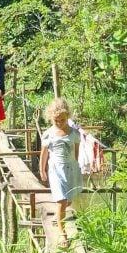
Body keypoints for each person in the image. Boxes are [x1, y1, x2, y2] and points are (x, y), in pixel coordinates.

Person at [39, 97, 82, 244]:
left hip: (70, 169)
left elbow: (76, 151)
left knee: (68, 201)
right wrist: (42, 170)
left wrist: (76, 166)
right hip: (56, 170)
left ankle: (58, 217)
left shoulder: (74, 133)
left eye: (62, 120)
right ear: (51, 118)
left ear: (67, 117)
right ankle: (63, 234)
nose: (59, 123)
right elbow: (44, 153)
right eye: (56, 120)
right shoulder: (49, 134)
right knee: (61, 201)